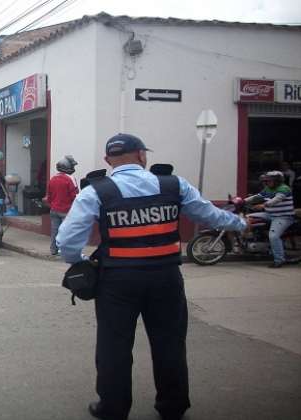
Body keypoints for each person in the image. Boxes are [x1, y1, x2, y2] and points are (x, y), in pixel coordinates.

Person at [57, 133, 246, 420]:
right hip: (165, 277)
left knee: (113, 345)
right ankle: (173, 407)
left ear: (108, 161)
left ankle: (113, 408)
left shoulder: (96, 191)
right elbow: (209, 215)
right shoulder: (173, 185)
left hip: (116, 281)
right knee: (169, 343)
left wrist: (78, 261)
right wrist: (241, 223)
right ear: (142, 156)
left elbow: (68, 240)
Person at [245, 170, 295, 268]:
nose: (266, 183)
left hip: (283, 217)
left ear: (277, 181)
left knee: (273, 236)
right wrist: (242, 201)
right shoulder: (268, 189)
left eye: (269, 181)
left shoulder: (284, 188)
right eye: (266, 181)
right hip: (269, 214)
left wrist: (263, 205)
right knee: (246, 218)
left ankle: (279, 260)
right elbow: (257, 197)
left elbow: (276, 200)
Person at [45, 155, 79, 256]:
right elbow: (75, 196)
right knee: (67, 231)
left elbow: (49, 196)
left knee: (55, 231)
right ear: (68, 167)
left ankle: (53, 250)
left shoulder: (53, 179)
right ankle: (65, 250)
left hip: (54, 209)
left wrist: (52, 204)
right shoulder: (70, 179)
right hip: (66, 210)